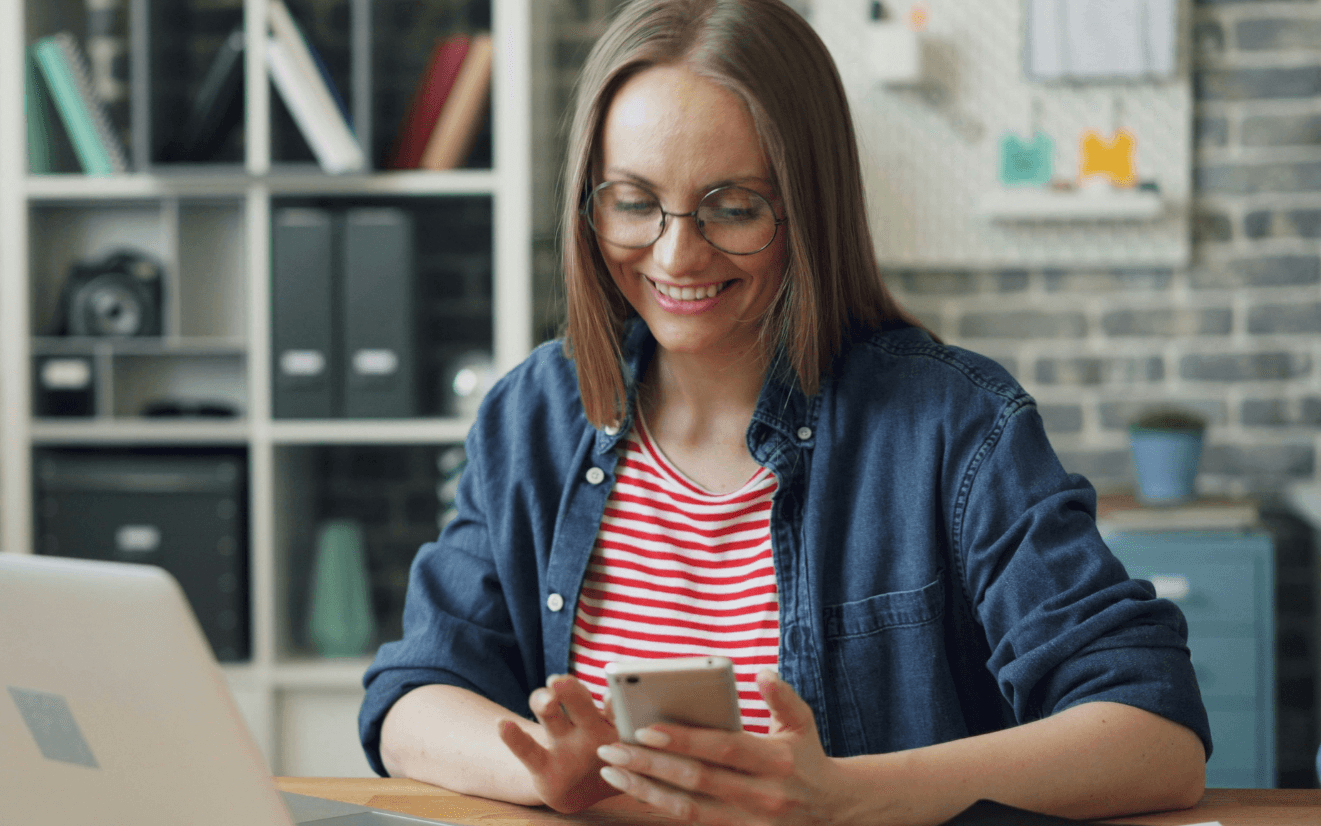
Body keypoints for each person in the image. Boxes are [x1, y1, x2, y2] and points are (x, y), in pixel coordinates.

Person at [358, 1, 1210, 823]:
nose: (676, 253)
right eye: (631, 200)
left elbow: (1156, 738)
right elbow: (411, 698)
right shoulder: (532, 418)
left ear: (809, 206)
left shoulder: (954, 426)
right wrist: (544, 774)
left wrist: (846, 797)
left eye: (734, 207)